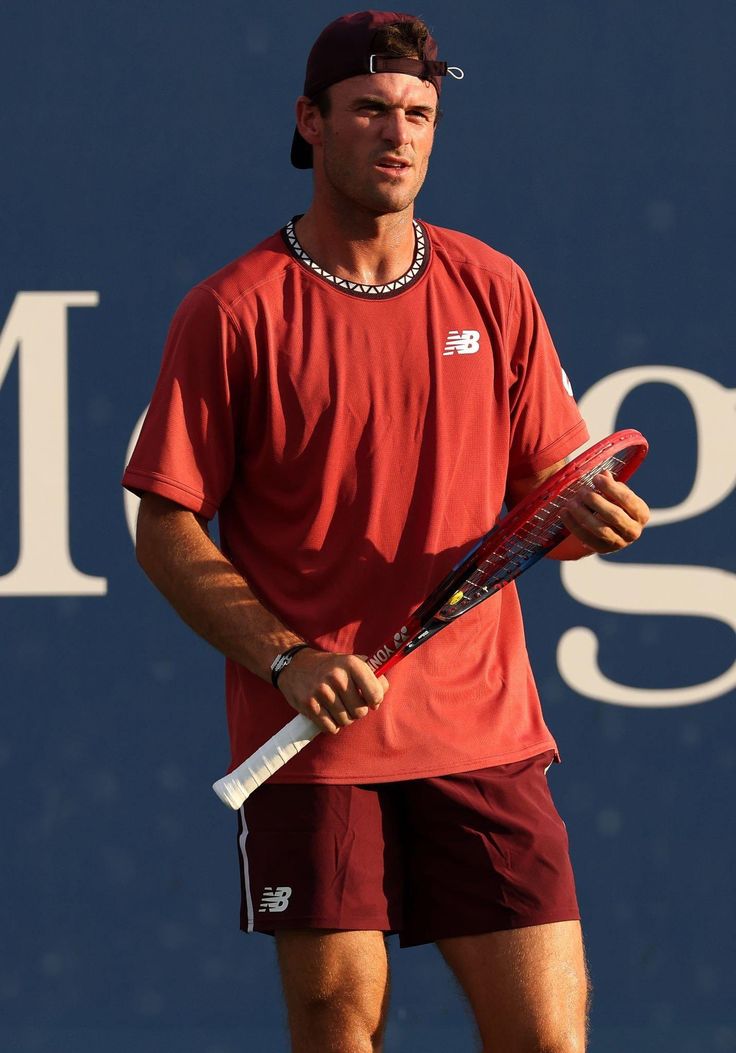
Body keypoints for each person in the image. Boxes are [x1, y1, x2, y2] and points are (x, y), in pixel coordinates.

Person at [123, 11, 649, 1052]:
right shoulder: (231, 312)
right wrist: (286, 660)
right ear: (311, 123)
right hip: (317, 746)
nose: (396, 133)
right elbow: (166, 524)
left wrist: (587, 521)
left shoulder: (492, 288)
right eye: (369, 111)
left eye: (417, 113)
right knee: (334, 1023)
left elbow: (551, 498)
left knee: (547, 1036)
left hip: (484, 734)